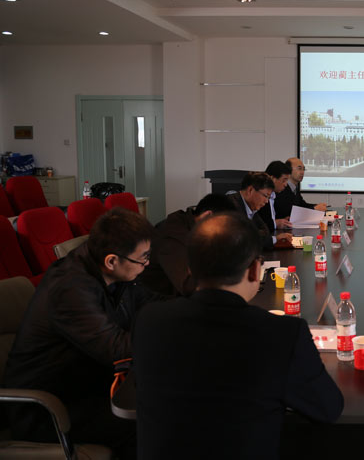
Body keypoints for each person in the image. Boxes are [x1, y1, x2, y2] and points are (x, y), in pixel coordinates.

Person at [133, 213, 344, 459]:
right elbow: (328, 408)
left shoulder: (149, 321)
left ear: (189, 269)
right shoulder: (283, 334)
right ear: (255, 270)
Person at [2, 208, 159, 459]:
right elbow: (116, 348)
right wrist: (171, 337)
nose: (147, 264)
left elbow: (151, 304)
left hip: (87, 388)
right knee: (151, 421)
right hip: (49, 411)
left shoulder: (114, 271)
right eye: (143, 258)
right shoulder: (70, 288)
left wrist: (192, 312)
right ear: (111, 261)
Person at [136, 193, 235, 296]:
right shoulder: (173, 235)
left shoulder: (193, 228)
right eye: (224, 227)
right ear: (208, 216)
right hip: (157, 298)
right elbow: (188, 286)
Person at [227, 172, 291, 250]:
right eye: (266, 196)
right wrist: (275, 239)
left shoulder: (252, 208)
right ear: (250, 190)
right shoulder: (230, 206)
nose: (266, 201)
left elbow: (265, 231)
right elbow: (245, 238)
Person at [258, 160, 293, 232]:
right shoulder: (259, 196)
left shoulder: (275, 194)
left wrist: (282, 221)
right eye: (284, 180)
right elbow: (257, 225)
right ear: (272, 179)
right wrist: (275, 223)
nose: (285, 185)